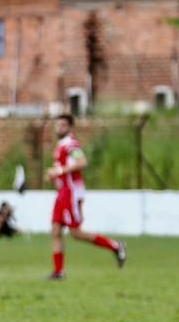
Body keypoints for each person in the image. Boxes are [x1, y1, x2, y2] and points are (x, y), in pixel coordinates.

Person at [47, 114, 126, 279]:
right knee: (55, 230)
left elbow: (82, 161)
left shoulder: (71, 144)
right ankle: (58, 271)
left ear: (70, 127)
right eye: (57, 125)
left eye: (63, 125)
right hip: (62, 192)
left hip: (71, 192)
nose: (59, 128)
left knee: (75, 232)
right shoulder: (60, 145)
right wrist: (54, 175)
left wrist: (59, 171)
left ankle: (115, 246)